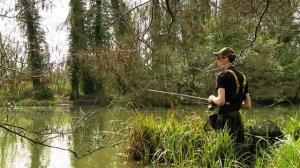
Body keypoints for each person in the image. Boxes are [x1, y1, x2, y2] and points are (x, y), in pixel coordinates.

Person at [208, 47, 252, 145]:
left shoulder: (222, 76)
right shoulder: (243, 77)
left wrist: (212, 98)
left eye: (219, 58)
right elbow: (248, 105)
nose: (218, 61)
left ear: (226, 59)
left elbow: (221, 101)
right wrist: (234, 104)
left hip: (225, 120)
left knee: (224, 151)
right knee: (238, 148)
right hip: (237, 120)